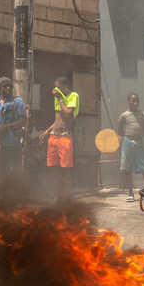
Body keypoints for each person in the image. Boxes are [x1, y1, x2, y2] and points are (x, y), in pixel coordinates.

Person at [39, 76, 79, 204]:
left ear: (65, 87)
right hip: (53, 137)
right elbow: (58, 119)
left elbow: (67, 114)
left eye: (58, 87)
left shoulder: (73, 96)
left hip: (65, 138)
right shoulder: (58, 99)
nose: (55, 89)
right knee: (53, 167)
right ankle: (58, 194)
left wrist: (60, 98)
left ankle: (66, 197)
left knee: (66, 169)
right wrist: (47, 131)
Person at [0, 77, 27, 180]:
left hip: (13, 143)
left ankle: (17, 194)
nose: (8, 88)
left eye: (10, 86)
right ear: (0, 87)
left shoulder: (17, 101)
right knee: (2, 171)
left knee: (16, 171)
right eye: (5, 86)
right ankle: (4, 193)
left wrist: (6, 127)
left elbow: (23, 121)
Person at [117, 92, 144, 202]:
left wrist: (138, 137)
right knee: (127, 169)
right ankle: (131, 194)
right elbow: (119, 129)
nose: (135, 103)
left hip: (139, 143)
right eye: (133, 100)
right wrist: (128, 137)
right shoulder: (124, 115)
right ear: (128, 101)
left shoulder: (143, 114)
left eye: (137, 100)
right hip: (127, 143)